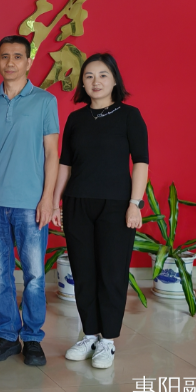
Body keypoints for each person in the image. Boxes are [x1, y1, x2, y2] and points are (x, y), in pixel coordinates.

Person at [51, 53, 148, 369]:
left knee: (111, 272)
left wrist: (135, 204)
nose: (96, 82)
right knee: (83, 272)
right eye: (89, 76)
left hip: (116, 206)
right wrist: (56, 202)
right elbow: (65, 165)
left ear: (115, 80)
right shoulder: (76, 119)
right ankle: (90, 334)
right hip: (77, 203)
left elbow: (141, 163)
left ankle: (108, 341)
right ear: (82, 82)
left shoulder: (129, 116)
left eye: (103, 75)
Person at [0, 35, 59, 367]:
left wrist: (47, 199)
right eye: (4, 56)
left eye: (17, 56)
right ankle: (7, 335)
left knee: (35, 275)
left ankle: (33, 338)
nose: (10, 62)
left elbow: (52, 153)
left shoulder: (45, 101)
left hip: (30, 202)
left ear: (29, 61)